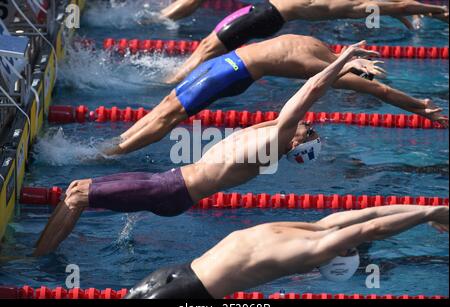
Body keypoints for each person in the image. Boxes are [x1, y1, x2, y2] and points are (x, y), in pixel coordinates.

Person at [36, 41, 377, 256]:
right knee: (74, 191)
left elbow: (310, 90)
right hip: (170, 183)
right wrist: (344, 67)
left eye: (310, 131)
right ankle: (40, 252)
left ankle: (37, 260)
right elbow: (299, 102)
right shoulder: (270, 135)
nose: (310, 124)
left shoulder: (276, 140)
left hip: (169, 190)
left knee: (77, 194)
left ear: (296, 142)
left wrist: (342, 58)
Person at [101, 35, 446, 156]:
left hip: (226, 63)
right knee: (171, 116)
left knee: (167, 108)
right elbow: (380, 90)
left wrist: (352, 60)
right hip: (230, 75)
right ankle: (113, 152)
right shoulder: (321, 67)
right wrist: (421, 108)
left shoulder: (318, 47)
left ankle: (117, 142)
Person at [124, 204, 449, 299]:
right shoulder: (314, 248)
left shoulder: (316, 227)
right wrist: (428, 213)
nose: (351, 243)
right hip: (189, 297)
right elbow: (371, 226)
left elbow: (370, 216)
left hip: (170, 273)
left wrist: (431, 210)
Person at [167, 0, 449, 83]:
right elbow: (398, 6)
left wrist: (438, 11)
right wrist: (430, 11)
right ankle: (172, 79)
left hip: (261, 15)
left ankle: (167, 83)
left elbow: (399, 5)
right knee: (204, 51)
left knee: (204, 53)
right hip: (263, 16)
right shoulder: (348, 5)